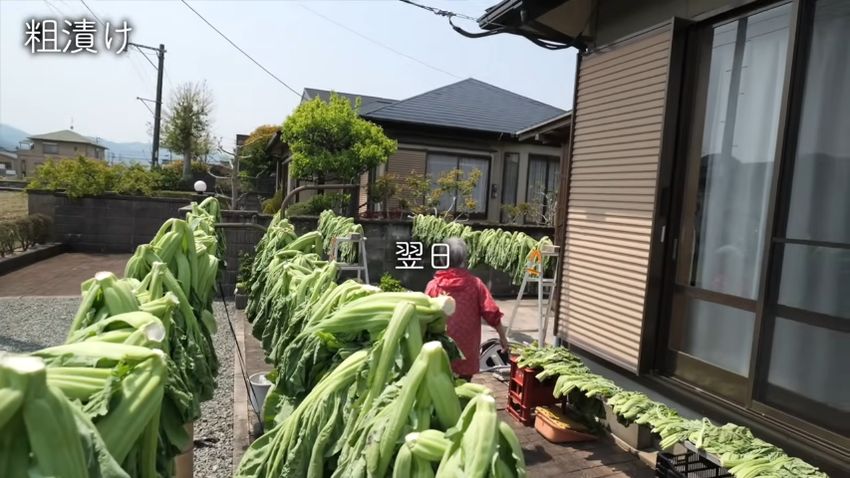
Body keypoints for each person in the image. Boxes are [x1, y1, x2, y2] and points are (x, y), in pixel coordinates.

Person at [425, 237, 509, 380]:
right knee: (464, 386)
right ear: (464, 258)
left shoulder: (434, 286)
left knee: (441, 387)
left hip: (441, 349)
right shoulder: (476, 285)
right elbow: (491, 312)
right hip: (467, 351)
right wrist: (502, 337)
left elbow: (425, 317)